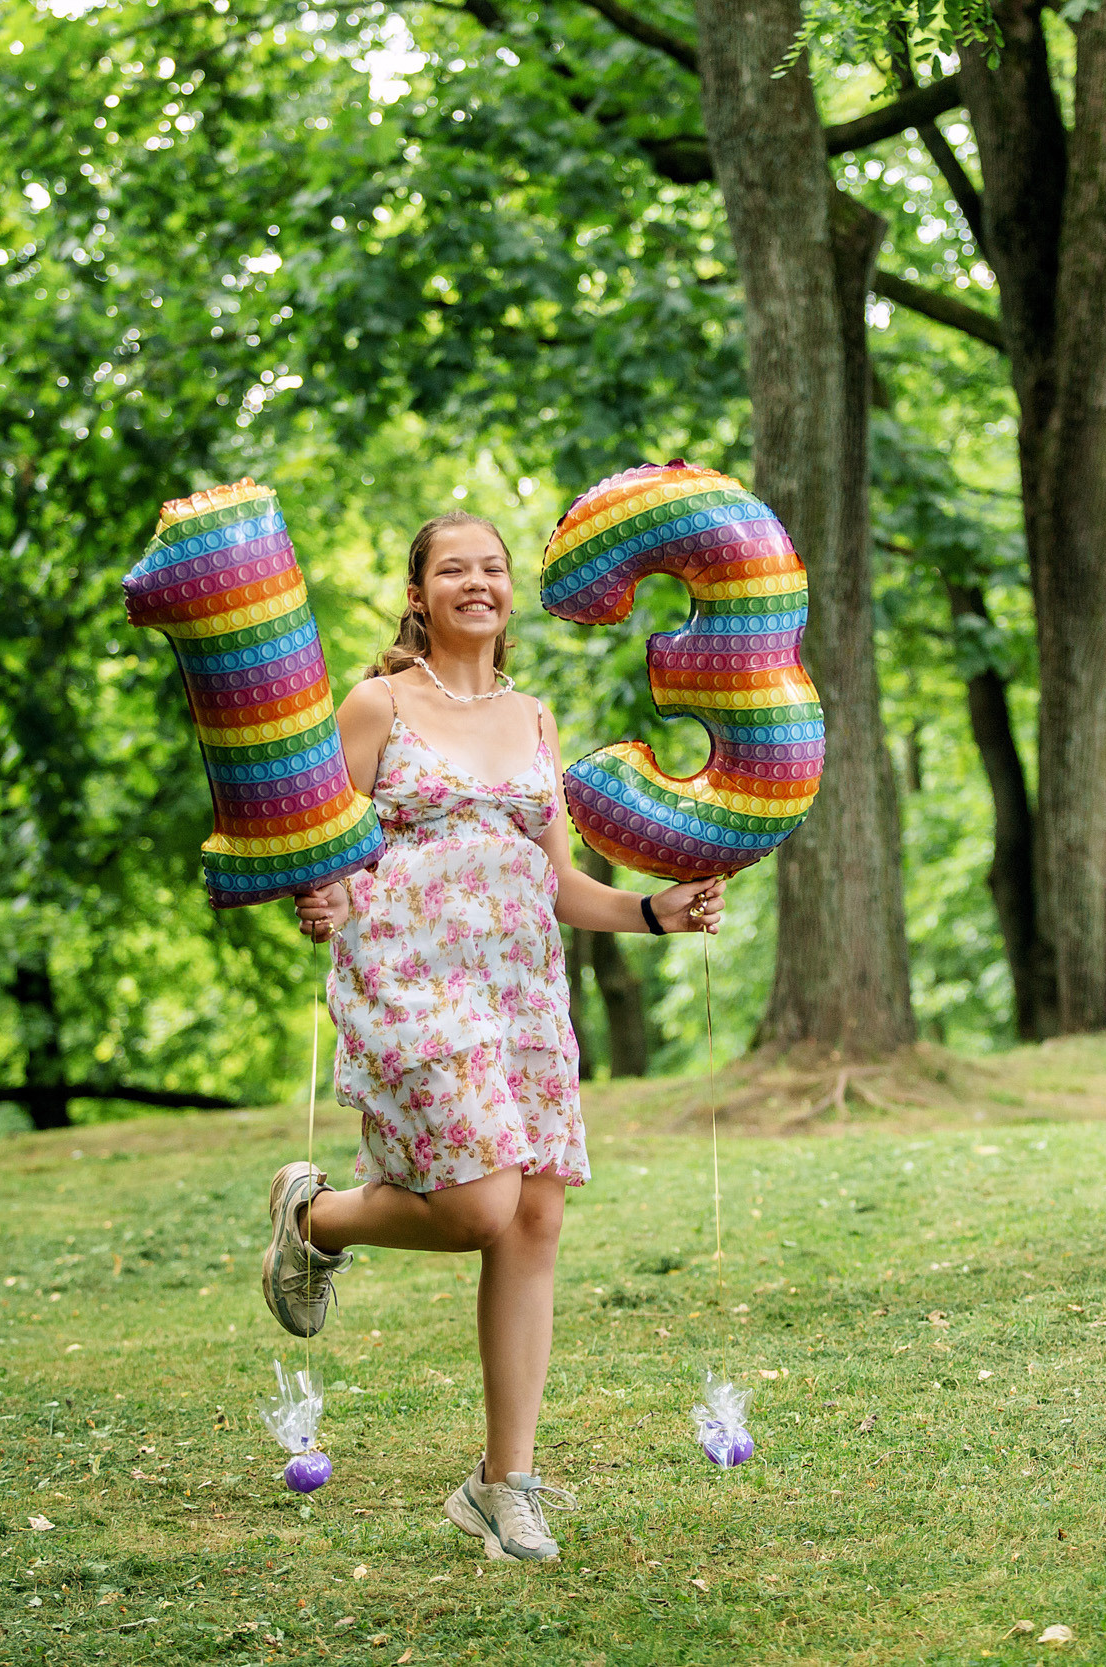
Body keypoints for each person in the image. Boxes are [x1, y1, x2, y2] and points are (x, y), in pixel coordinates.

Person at [266, 510, 725, 1564]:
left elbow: (559, 882)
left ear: (510, 592)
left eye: (494, 567)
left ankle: (501, 1482)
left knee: (535, 1220)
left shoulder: (535, 716)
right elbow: (323, 841)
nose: (478, 581)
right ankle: (317, 1217)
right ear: (417, 593)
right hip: (409, 977)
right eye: (452, 568)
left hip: (520, 990)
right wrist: (318, 895)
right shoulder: (379, 702)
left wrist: (657, 910)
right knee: (481, 1204)